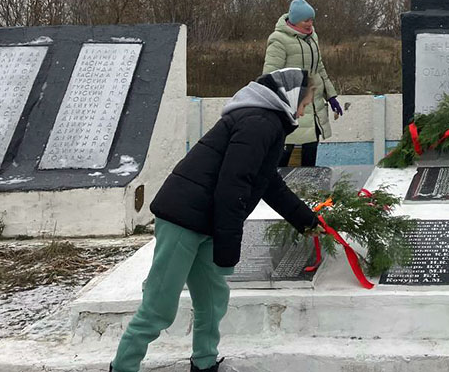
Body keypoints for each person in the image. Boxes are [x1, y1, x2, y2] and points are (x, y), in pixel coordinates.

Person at [108, 68, 320, 372]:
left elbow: (268, 183)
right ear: (290, 97)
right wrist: (229, 245)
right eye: (304, 103)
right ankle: (123, 367)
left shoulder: (267, 123)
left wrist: (306, 220)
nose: (303, 110)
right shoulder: (259, 124)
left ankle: (205, 361)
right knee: (159, 306)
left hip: (206, 219)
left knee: (211, 298)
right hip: (183, 218)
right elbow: (234, 185)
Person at [263, 0, 343, 167]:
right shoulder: (279, 40)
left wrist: (331, 96)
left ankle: (307, 191)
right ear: (296, 20)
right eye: (306, 20)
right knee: (285, 157)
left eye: (312, 19)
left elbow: (319, 67)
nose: (310, 23)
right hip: (292, 108)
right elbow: (269, 77)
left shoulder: (313, 37)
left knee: (310, 154)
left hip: (313, 106)